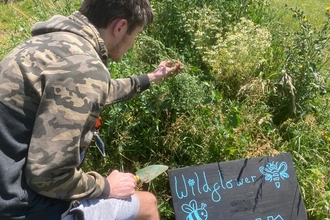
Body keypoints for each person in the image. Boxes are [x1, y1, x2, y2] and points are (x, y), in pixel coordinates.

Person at [0, 0, 183, 219]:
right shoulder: (83, 66)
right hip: (21, 207)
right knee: (148, 204)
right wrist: (106, 186)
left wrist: (150, 78)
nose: (133, 42)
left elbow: (87, 92)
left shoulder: (46, 45)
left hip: (7, 182)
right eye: (136, 34)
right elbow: (47, 176)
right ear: (120, 27)